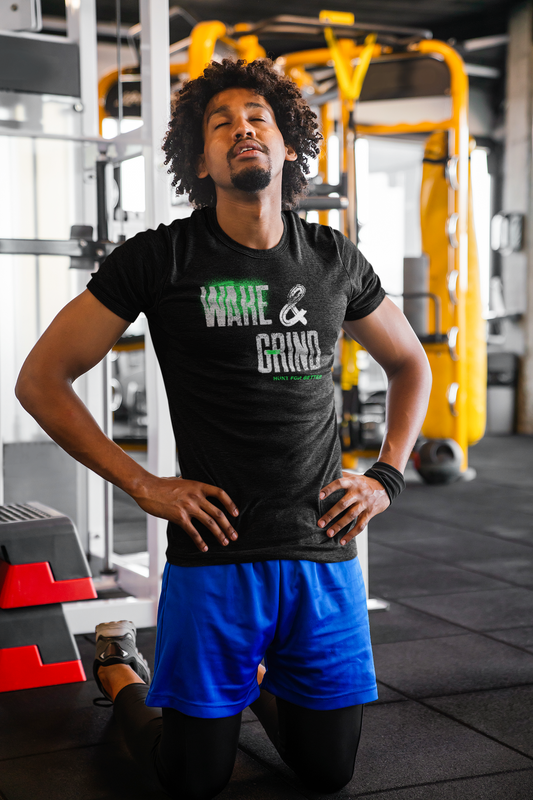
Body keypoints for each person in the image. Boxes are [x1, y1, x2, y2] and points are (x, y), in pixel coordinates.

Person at [16, 58, 431, 799]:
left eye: (257, 117)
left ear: (286, 144)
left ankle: (250, 675)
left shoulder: (333, 258)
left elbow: (409, 364)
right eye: (221, 122)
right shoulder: (160, 257)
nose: (242, 127)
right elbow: (41, 379)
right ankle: (117, 668)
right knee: (193, 777)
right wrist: (142, 483)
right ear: (200, 160)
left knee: (328, 772)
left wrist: (385, 477)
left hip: (322, 550)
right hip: (216, 554)